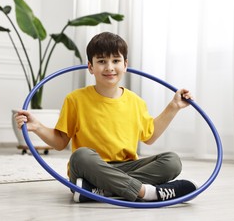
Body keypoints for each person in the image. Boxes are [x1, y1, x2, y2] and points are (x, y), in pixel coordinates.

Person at [15, 32, 197, 203]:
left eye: (115, 60)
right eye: (102, 61)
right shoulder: (75, 99)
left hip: (126, 167)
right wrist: (37, 127)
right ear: (90, 67)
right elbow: (61, 142)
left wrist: (174, 107)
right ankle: (145, 192)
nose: (109, 67)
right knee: (81, 156)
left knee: (172, 161)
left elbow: (149, 136)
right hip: (90, 169)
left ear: (125, 65)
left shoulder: (136, 102)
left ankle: (101, 191)